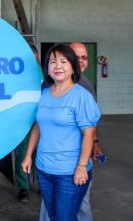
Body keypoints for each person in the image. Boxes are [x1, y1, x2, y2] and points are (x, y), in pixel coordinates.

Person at [22, 44, 101, 221]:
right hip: (44, 168)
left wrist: (81, 167)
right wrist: (28, 156)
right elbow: (38, 126)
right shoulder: (44, 94)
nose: (57, 66)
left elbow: (88, 134)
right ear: (47, 68)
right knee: (54, 215)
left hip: (70, 172)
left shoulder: (81, 96)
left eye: (63, 61)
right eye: (52, 62)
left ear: (73, 66)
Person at [13, 43, 41, 203]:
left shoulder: (42, 72)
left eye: (32, 57)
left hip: (42, 119)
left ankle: (42, 184)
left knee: (42, 153)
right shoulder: (16, 73)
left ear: (36, 57)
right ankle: (23, 188)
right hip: (23, 120)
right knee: (23, 154)